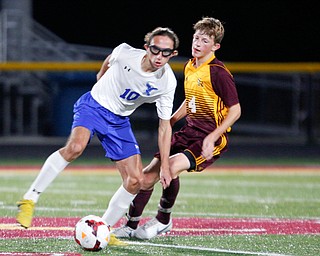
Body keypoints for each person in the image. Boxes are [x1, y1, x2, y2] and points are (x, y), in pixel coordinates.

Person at [16, 27, 180, 240]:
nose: (159, 56)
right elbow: (110, 59)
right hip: (93, 106)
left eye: (166, 52)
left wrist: (165, 165)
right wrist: (100, 76)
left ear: (173, 54)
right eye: (155, 50)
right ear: (146, 48)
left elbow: (165, 126)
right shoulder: (126, 53)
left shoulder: (167, 83)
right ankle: (29, 199)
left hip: (119, 121)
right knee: (75, 147)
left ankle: (104, 229)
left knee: (135, 180)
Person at [113, 17, 241, 240]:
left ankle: (163, 220)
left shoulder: (218, 72)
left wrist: (213, 137)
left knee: (169, 168)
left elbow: (236, 110)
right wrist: (172, 120)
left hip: (209, 138)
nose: (198, 43)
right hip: (188, 131)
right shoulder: (190, 65)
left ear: (215, 46)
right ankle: (131, 225)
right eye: (196, 38)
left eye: (204, 40)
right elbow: (190, 99)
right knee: (146, 177)